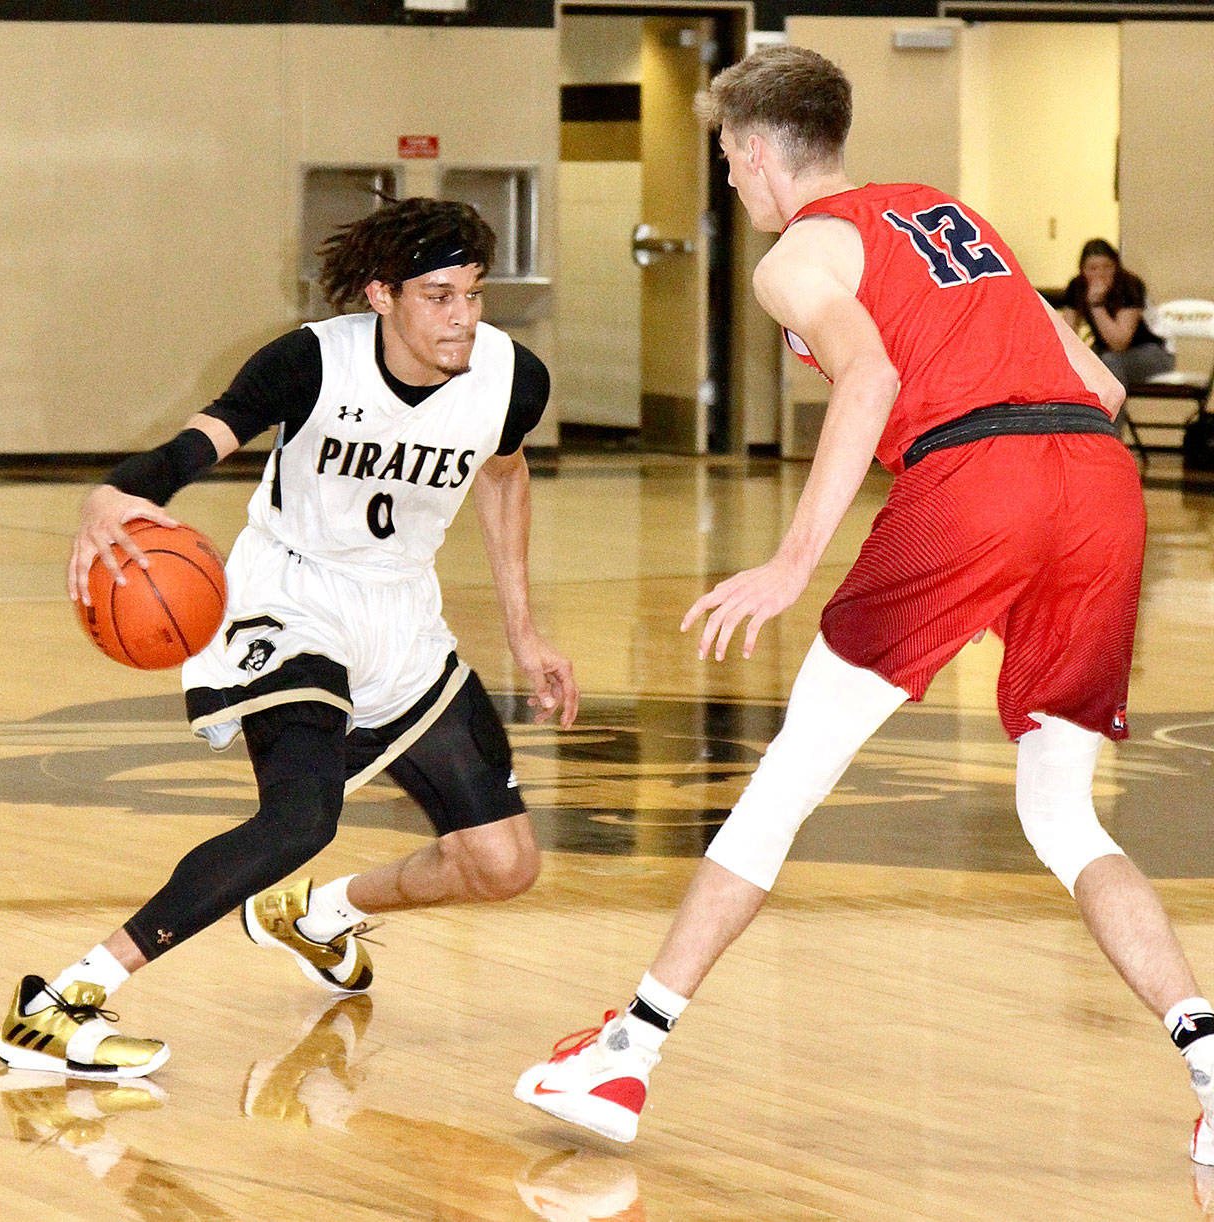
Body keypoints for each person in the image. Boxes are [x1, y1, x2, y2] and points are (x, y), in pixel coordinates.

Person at [515, 45, 1214, 1166]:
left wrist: (792, 560)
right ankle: (1209, 1064)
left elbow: (873, 379)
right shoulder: (950, 215)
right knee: (1059, 813)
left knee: (789, 776)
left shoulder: (796, 257)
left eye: (725, 161)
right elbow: (1102, 385)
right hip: (1097, 486)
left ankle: (624, 1053)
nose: (732, 183)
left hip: (975, 484)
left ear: (749, 151)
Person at [0, 196, 578, 1079]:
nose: (461, 317)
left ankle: (316, 915)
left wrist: (526, 633)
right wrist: (119, 490)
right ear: (382, 296)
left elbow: (504, 477)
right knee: (301, 815)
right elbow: (198, 444)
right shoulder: (311, 362)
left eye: (472, 293)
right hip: (290, 596)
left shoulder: (511, 377)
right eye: (438, 296)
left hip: (403, 613)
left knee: (502, 864)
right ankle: (60, 1003)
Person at [1062, 237, 1175, 387]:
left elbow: (1119, 342)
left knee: (1109, 362)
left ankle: (1112, 411)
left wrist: (1097, 305)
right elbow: (1066, 337)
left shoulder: (1129, 285)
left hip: (1152, 353)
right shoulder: (1077, 286)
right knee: (1082, 362)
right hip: (1105, 351)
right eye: (1092, 268)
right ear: (1083, 271)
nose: (1100, 274)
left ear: (1116, 267)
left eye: (1107, 267)